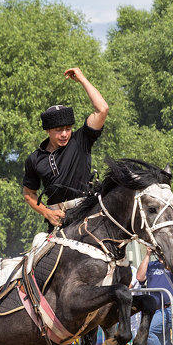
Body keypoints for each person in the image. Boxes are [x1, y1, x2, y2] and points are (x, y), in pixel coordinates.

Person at [22, 67, 110, 229]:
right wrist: (46, 212)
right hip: (58, 222)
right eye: (58, 130)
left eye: (68, 129)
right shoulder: (34, 159)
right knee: (38, 252)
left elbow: (102, 109)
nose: (64, 134)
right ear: (47, 130)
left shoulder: (81, 140)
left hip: (88, 215)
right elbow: (29, 194)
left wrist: (82, 79)